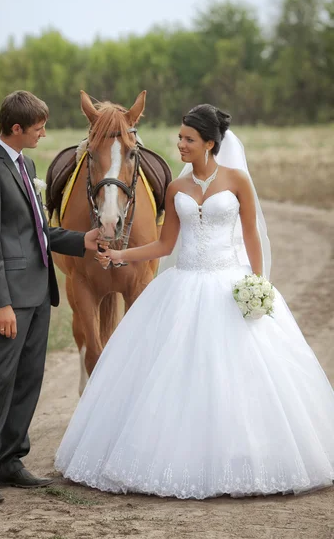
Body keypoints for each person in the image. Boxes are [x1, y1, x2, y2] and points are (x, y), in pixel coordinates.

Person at [55, 104, 334, 500]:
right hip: (184, 282)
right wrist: (120, 256)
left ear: (209, 143)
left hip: (228, 280)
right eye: (180, 137)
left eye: (188, 139)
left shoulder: (238, 181)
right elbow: (164, 244)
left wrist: (259, 282)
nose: (179, 145)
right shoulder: (175, 188)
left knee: (240, 372)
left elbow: (251, 235)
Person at [0, 91, 103, 505]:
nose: (45, 131)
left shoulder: (26, 164)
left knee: (28, 379)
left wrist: (85, 241)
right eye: (39, 126)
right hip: (11, 298)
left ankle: (10, 462)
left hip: (41, 291)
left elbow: (40, 233)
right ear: (16, 128)